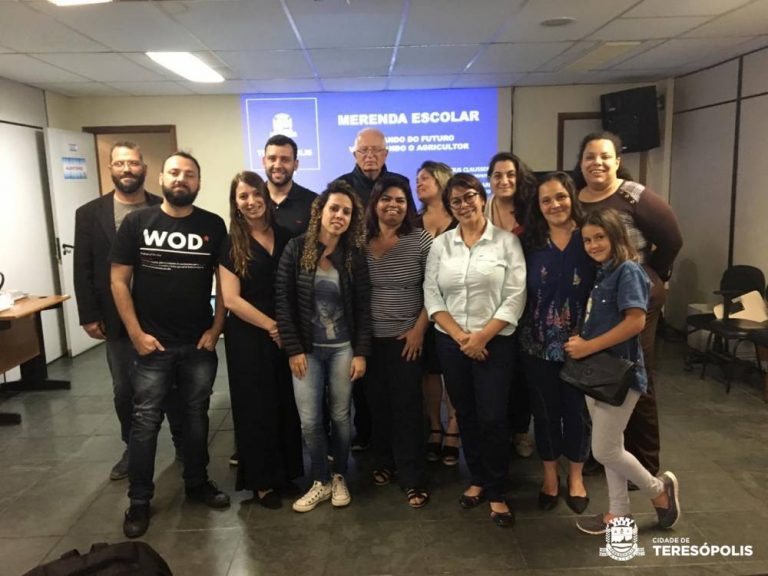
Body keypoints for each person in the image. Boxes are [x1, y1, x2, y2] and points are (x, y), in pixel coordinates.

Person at [111, 151, 230, 539]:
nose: (182, 179)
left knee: (196, 417)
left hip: (198, 344)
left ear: (198, 182)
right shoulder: (137, 223)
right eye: (175, 172)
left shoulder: (212, 225)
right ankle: (139, 500)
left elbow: (225, 284)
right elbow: (118, 281)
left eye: (189, 174)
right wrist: (135, 333)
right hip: (152, 345)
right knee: (145, 423)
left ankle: (196, 483)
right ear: (161, 178)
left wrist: (217, 327)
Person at [574, 131, 683, 478]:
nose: (597, 163)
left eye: (605, 156)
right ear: (581, 163)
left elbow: (672, 240)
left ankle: (645, 461)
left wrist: (651, 273)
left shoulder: (633, 195)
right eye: (590, 156)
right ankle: (606, 450)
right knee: (598, 373)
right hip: (598, 294)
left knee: (635, 374)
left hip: (636, 295)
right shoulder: (575, 198)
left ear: (618, 161)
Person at [565, 208, 680, 535]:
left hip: (619, 375)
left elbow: (635, 322)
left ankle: (659, 491)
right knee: (612, 448)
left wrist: (588, 346)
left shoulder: (628, 270)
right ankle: (619, 514)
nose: (593, 245)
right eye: (587, 240)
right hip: (599, 373)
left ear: (616, 236)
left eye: (600, 237)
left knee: (604, 450)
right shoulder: (605, 272)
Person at [73, 141, 183, 481]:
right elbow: (83, 267)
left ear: (144, 169)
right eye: (120, 163)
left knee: (173, 386)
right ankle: (131, 449)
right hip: (115, 319)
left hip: (161, 316)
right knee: (124, 389)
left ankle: (183, 444)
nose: (127, 169)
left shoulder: (164, 206)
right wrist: (88, 314)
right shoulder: (90, 213)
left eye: (133, 163)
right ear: (110, 168)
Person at [423, 172, 526, 528]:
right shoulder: (441, 245)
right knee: (465, 413)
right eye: (456, 201)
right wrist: (461, 337)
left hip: (495, 343)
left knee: (493, 416)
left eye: (469, 196)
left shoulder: (506, 243)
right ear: (450, 207)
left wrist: (482, 337)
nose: (464, 204)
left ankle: (497, 490)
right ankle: (478, 479)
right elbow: (432, 294)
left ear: (482, 198)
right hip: (452, 343)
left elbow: (515, 295)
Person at [275, 180, 371, 513]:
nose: (339, 215)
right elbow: (283, 302)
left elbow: (363, 308)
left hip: (344, 349)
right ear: (320, 210)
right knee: (310, 421)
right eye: (334, 208)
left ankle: (340, 475)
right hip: (307, 351)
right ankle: (321, 479)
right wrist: (293, 349)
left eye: (347, 211)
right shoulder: (296, 248)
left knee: (342, 416)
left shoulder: (354, 256)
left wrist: (361, 353)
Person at [219, 171, 303, 509]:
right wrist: (272, 326)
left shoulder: (286, 236)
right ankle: (262, 482)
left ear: (266, 196)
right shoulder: (231, 243)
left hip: (286, 333)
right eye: (243, 196)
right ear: (235, 203)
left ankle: (287, 474)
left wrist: (287, 329)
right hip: (249, 335)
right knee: (256, 407)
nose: (251, 201)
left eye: (256, 194)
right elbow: (231, 299)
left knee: (285, 402)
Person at [519, 172, 595, 513]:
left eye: (560, 197)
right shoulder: (529, 243)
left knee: (577, 412)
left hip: (584, 344)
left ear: (572, 197)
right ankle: (550, 476)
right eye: (546, 200)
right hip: (536, 344)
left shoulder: (590, 237)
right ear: (538, 206)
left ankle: (576, 477)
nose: (554, 205)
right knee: (545, 412)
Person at [337, 127, 407, 451]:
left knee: (396, 377)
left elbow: (409, 224)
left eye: (376, 150)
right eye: (364, 150)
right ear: (354, 153)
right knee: (360, 366)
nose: (370, 156)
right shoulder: (341, 186)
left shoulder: (399, 184)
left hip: (395, 280)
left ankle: (396, 434)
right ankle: (364, 431)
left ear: (386, 154)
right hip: (354, 281)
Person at [365, 175, 432, 507]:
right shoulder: (360, 240)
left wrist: (419, 329)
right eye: (386, 199)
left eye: (400, 200)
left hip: (407, 338)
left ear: (408, 206)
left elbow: (434, 289)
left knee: (407, 408)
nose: (393, 205)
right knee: (377, 406)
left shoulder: (421, 240)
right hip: (368, 341)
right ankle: (383, 462)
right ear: (375, 203)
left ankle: (412, 477)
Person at [485, 152, 538, 459]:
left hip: (529, 299)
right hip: (492, 301)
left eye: (510, 175)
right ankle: (499, 430)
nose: (504, 180)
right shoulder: (483, 209)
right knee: (498, 369)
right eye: (497, 175)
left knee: (522, 370)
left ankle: (520, 430)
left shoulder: (532, 210)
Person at [415, 161, 460, 465]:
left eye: (425, 178)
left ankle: (454, 426)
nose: (419, 183)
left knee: (453, 372)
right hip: (419, 308)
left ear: (442, 181)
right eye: (417, 179)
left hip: (457, 308)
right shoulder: (412, 221)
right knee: (430, 372)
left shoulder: (461, 218)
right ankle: (434, 426)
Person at [262, 134, 317, 237]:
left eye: (285, 160)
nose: (277, 165)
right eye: (272, 159)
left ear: (295, 165)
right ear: (264, 162)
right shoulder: (251, 201)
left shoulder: (313, 202)